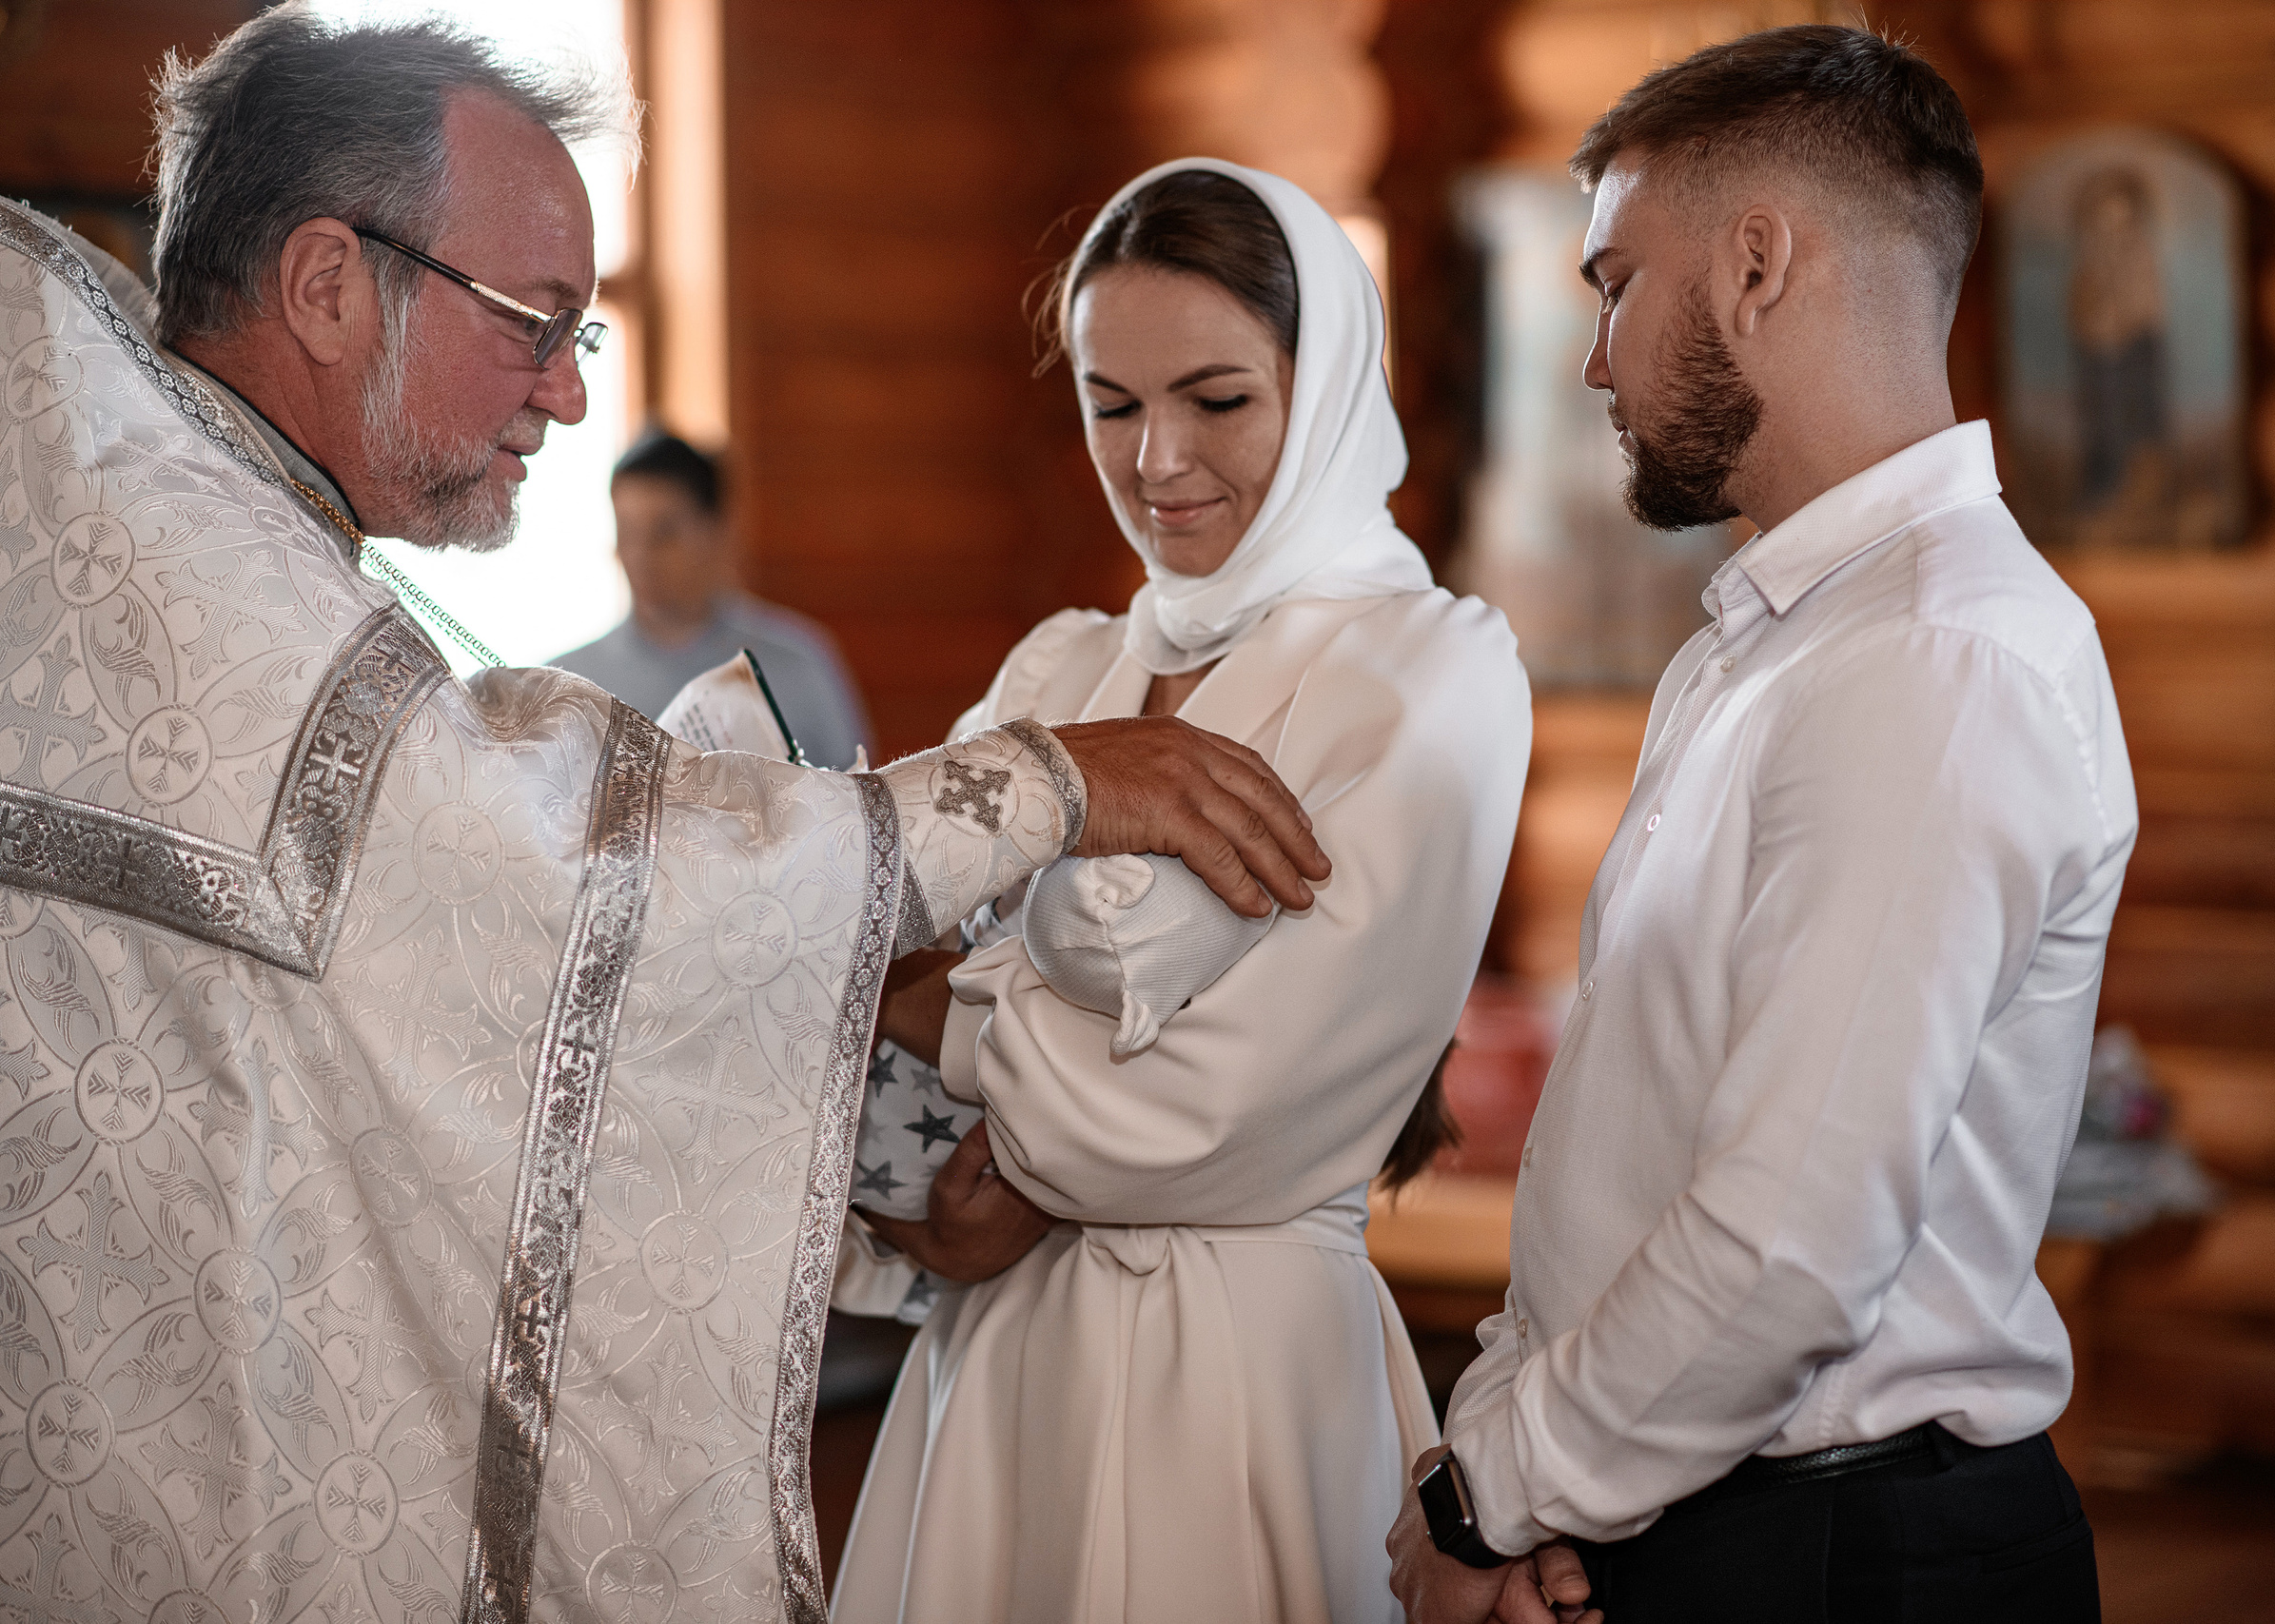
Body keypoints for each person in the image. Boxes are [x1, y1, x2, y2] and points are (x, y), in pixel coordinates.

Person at [0, 10, 1325, 1621]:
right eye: (532, 319)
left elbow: (438, 1053)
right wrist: (1047, 784)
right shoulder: (194, 579)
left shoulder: (150, 512)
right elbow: (560, 887)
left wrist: (905, 1165)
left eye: (585, 330)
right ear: (330, 284)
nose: (566, 390)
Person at [1387, 27, 2130, 1624]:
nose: (1593, 358)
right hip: (1704, 1518)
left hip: (1851, 1558)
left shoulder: (1931, 658)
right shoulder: (1772, 641)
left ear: (1757, 261)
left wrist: (1485, 1496)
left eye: (1611, 281)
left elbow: (1791, 1243)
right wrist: (1528, 1489)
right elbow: (1635, 1150)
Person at [827, 161, 1533, 1622]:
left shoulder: (1430, 668)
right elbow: (838, 979)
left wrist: (965, 1002)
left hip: (1239, 1369)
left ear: (1325, 385)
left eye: (1217, 401)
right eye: (1111, 401)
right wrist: (969, 1014)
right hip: (993, 1371)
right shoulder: (1057, 669)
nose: (1156, 460)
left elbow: (1222, 1112)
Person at [554, 430, 872, 767]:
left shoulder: (797, 664)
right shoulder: (573, 685)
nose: (641, 555)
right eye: (627, 532)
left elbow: (854, 802)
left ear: (716, 529)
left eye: (664, 532)